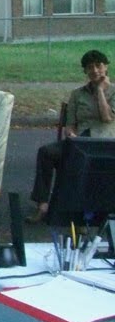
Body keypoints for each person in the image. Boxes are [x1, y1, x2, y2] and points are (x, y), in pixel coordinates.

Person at [27, 49, 115, 223]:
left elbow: (107, 118)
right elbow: (70, 123)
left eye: (98, 66)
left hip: (105, 143)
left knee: (81, 161)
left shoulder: (113, 91)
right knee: (46, 152)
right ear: (85, 71)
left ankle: (80, 213)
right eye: (90, 67)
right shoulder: (77, 94)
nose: (95, 70)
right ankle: (42, 205)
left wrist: (100, 91)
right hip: (81, 142)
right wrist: (70, 133)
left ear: (106, 67)